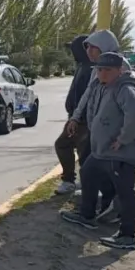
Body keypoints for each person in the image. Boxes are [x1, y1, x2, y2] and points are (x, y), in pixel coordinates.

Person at [60, 52, 135, 251]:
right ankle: (87, 216)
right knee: (87, 174)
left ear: (119, 70)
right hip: (102, 151)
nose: (103, 73)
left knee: (125, 193)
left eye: (108, 70)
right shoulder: (101, 86)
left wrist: (122, 139)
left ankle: (127, 236)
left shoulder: (125, 88)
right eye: (100, 69)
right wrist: (75, 119)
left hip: (120, 154)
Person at [54, 35, 94, 194]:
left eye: (74, 49)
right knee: (78, 149)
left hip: (81, 120)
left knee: (69, 147)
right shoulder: (82, 65)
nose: (72, 53)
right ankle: (78, 182)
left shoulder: (90, 69)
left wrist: (77, 118)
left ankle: (76, 182)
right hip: (76, 117)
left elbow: (85, 96)